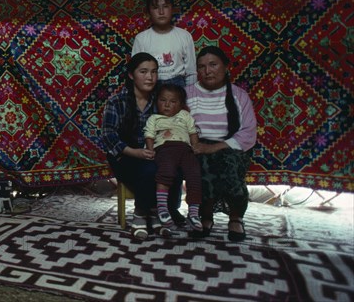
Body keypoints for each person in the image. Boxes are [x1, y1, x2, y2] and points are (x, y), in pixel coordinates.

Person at [101, 52, 182, 240]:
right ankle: (141, 214)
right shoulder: (117, 101)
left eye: (154, 72)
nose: (150, 77)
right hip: (124, 155)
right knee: (149, 171)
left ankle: (154, 212)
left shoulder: (161, 101)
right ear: (131, 75)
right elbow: (108, 135)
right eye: (143, 71)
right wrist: (135, 152)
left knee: (173, 170)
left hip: (155, 153)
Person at [186, 46, 257, 242]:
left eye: (213, 64)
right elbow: (177, 124)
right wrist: (198, 146)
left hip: (230, 148)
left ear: (225, 66)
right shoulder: (188, 94)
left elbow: (248, 132)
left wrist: (215, 147)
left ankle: (236, 218)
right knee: (203, 165)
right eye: (201, 67)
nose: (207, 71)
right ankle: (205, 217)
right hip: (198, 147)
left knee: (228, 164)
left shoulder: (239, 95)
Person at [144, 83, 203, 231]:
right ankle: (162, 207)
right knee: (166, 170)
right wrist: (150, 151)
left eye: (173, 102)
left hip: (185, 149)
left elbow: (192, 133)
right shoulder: (154, 118)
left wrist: (195, 147)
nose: (167, 105)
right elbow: (149, 135)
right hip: (165, 148)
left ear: (181, 104)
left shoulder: (185, 116)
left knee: (194, 174)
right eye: (163, 100)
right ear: (156, 101)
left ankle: (194, 213)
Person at [131, 0, 197, 87]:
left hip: (178, 86)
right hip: (152, 86)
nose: (161, 12)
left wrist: (190, 97)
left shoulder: (184, 36)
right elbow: (136, 72)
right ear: (149, 12)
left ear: (172, 10)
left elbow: (191, 72)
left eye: (165, 7)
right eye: (155, 7)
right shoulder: (141, 39)